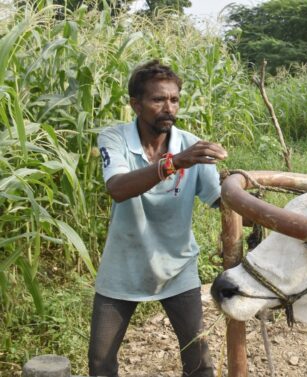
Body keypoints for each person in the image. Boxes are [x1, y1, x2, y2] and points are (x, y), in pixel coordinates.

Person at [90, 60, 226, 377]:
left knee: (199, 363)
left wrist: (249, 202)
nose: (168, 108)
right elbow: (118, 188)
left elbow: (219, 200)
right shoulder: (115, 139)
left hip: (177, 269)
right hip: (123, 267)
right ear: (135, 104)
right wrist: (174, 162)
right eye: (158, 100)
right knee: (101, 363)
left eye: (174, 99)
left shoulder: (192, 146)